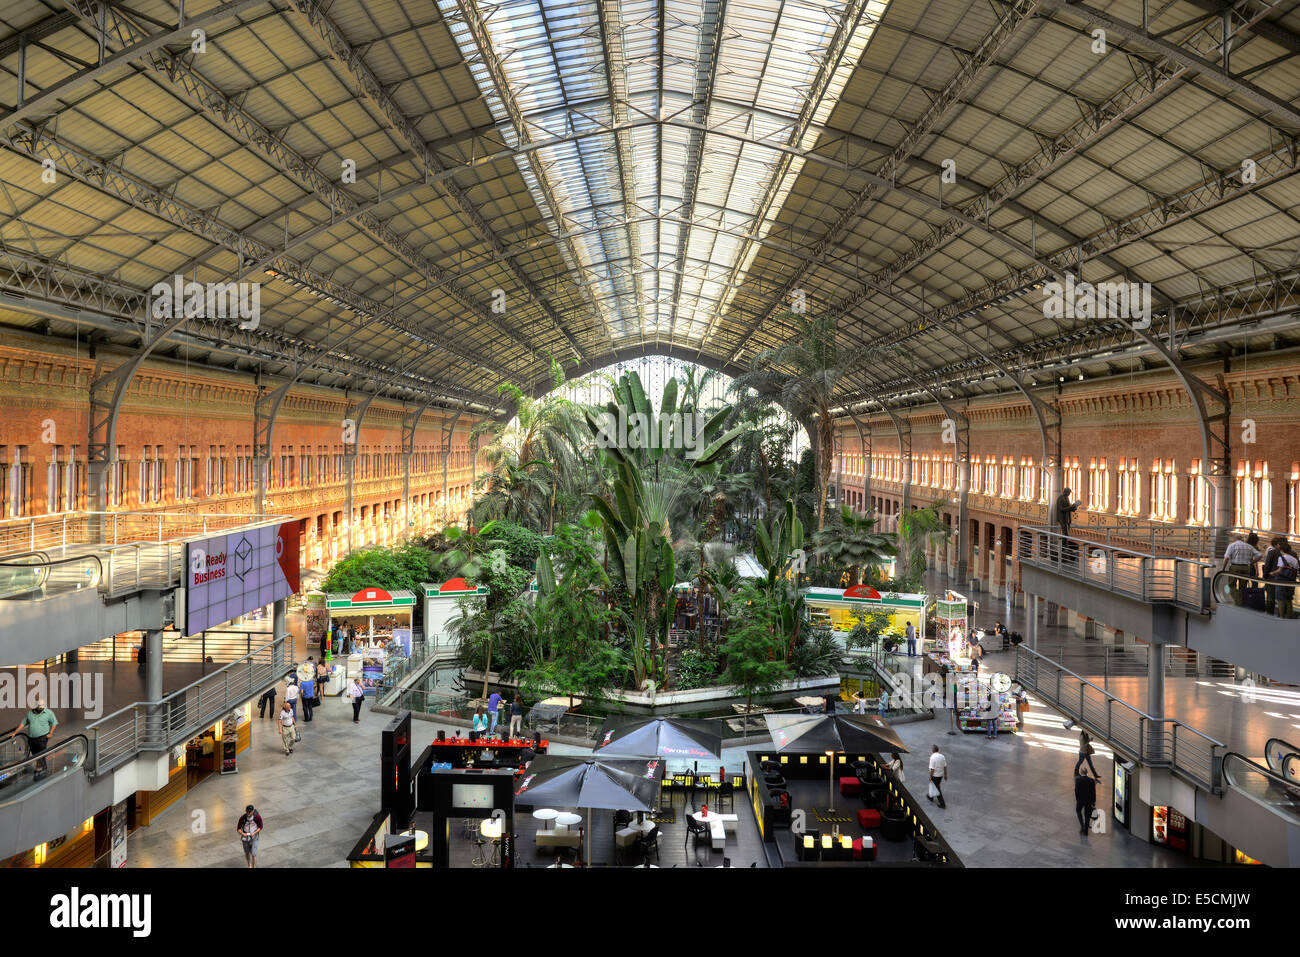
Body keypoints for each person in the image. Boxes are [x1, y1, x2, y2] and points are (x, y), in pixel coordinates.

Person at [12, 699, 57, 778]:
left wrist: (50, 733)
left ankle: (43, 769)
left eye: (42, 707)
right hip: (31, 738)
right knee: (35, 754)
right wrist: (15, 732)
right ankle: (40, 767)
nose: (40, 708)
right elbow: (23, 723)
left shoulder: (49, 713)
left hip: (42, 737)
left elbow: (54, 723)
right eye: (39, 707)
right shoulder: (30, 713)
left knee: (41, 754)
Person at [1222, 533, 1262, 607]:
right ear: (1242, 539)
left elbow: (1226, 558)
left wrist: (1223, 569)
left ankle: (1238, 601)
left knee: (1232, 585)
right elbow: (1260, 555)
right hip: (1246, 568)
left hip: (1235, 567)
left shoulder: (1232, 545)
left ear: (1234, 539)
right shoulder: (1249, 546)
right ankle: (1241, 603)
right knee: (1243, 587)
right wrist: (1252, 562)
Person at [1268, 540, 1298, 619]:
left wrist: (1272, 573)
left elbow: (1279, 570)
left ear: (1282, 550)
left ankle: (1281, 616)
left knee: (1280, 599)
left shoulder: (1281, 558)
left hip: (1281, 581)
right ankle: (1289, 615)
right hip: (1291, 581)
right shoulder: (1294, 559)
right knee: (1289, 599)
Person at [1262, 536, 1284, 614]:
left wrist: (1265, 576)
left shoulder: (1272, 552)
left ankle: (1269, 614)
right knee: (1283, 599)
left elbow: (1267, 565)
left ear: (1278, 544)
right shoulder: (1293, 553)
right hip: (1286, 580)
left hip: (1272, 578)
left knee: (1270, 598)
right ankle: (1283, 615)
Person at [928, 745, 948, 809]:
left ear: (933, 750)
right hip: (940, 775)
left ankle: (942, 804)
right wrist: (945, 775)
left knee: (937, 789)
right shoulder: (942, 756)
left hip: (935, 775)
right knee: (935, 786)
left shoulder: (932, 757)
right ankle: (930, 797)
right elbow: (945, 766)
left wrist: (930, 777)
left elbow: (932, 769)